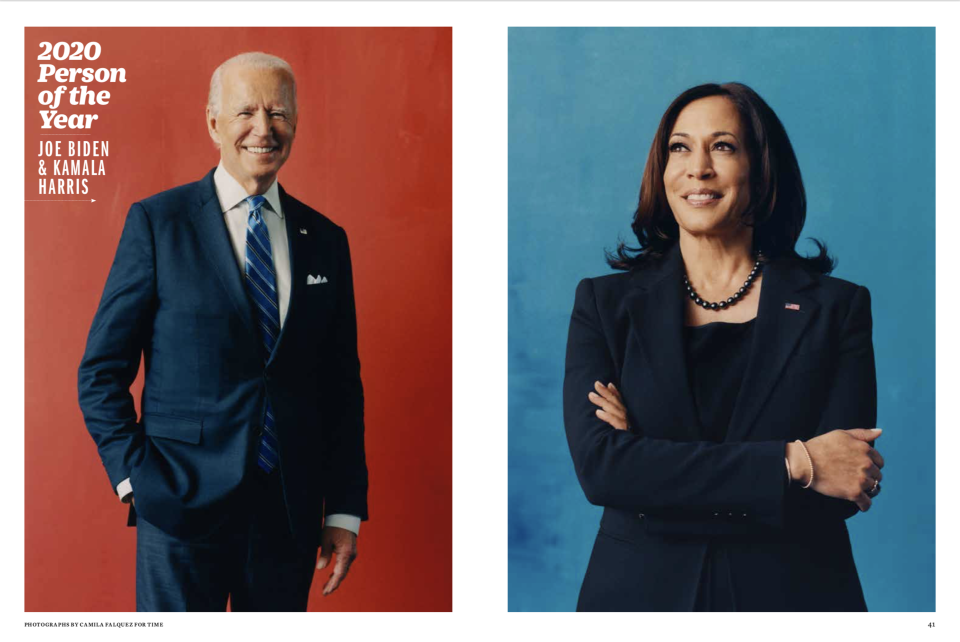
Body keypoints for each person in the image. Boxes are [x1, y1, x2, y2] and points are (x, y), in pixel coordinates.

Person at [563, 82, 884, 611]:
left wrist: (653, 466)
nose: (698, 168)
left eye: (724, 146)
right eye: (680, 147)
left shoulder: (837, 307)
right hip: (639, 597)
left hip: (793, 596)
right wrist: (795, 461)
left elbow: (843, 486)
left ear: (761, 168)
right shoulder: (604, 304)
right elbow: (603, 471)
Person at [78, 51, 368, 612]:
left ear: (296, 123)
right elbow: (100, 372)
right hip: (179, 510)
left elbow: (341, 387)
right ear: (214, 123)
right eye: (246, 112)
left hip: (288, 515)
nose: (264, 128)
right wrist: (136, 479)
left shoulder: (327, 239)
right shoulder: (158, 223)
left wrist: (342, 510)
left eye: (279, 113)